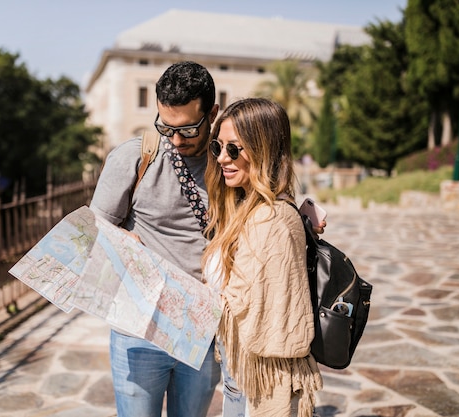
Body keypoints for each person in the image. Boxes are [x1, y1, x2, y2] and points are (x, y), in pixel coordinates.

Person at [89, 61, 221, 417]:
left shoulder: (229, 163)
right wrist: (123, 241)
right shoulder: (134, 156)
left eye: (189, 130)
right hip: (139, 328)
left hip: (203, 330)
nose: (176, 140)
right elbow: (93, 233)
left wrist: (302, 209)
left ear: (214, 113)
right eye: (166, 127)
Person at [202, 98, 323, 417]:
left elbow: (248, 307)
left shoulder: (268, 220)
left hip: (258, 380)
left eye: (234, 149)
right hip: (240, 369)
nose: (222, 159)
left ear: (264, 149)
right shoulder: (245, 209)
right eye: (218, 147)